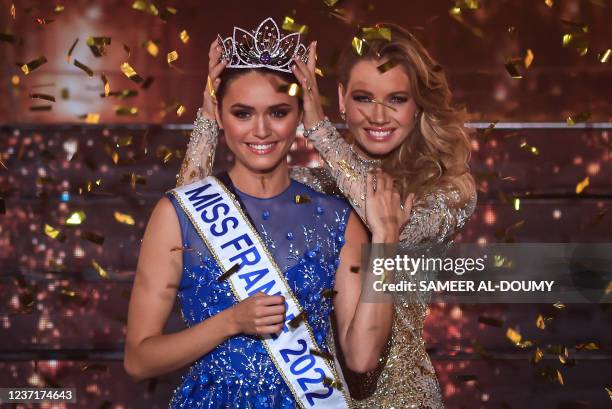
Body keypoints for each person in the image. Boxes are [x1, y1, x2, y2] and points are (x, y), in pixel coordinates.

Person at [178, 22, 477, 409]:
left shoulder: (446, 189)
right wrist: (208, 116)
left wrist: (319, 129)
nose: (379, 115)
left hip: (405, 399)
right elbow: (191, 216)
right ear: (341, 99)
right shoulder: (313, 188)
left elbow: (382, 219)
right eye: (364, 98)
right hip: (315, 396)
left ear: (418, 104)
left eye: (397, 99)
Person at [125, 18, 396, 409]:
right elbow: (138, 360)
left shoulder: (337, 218)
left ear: (300, 115)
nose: (262, 130)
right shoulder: (178, 214)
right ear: (218, 115)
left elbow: (362, 357)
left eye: (278, 112)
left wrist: (385, 241)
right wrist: (229, 323)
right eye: (242, 113)